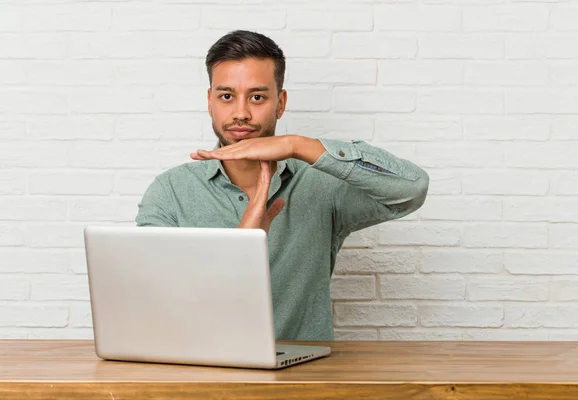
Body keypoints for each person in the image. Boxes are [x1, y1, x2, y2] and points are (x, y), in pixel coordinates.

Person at [135, 30, 429, 341]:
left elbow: (411, 188)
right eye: (226, 96)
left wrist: (296, 145)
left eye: (257, 97)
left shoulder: (322, 184)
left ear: (281, 103)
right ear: (210, 102)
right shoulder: (171, 190)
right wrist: (239, 247)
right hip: (200, 373)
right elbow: (152, 296)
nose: (241, 113)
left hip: (303, 378)